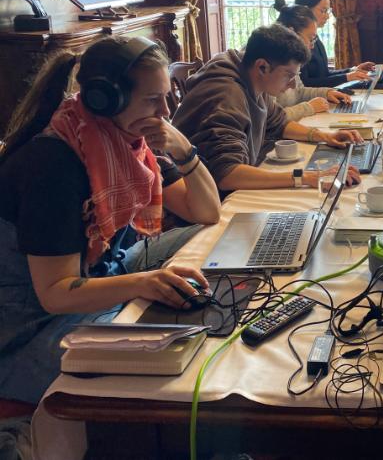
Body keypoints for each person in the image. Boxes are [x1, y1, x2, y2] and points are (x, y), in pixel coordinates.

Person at [0, 37, 222, 403]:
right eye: (153, 99)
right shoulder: (51, 165)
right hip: (30, 330)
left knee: (206, 235)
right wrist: (144, 283)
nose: (165, 112)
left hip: (100, 274)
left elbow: (206, 212)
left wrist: (183, 149)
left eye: (166, 97)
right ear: (106, 99)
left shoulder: (127, 139)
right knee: (167, 359)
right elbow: (55, 294)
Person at [172, 23, 362, 194]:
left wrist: (325, 136)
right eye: (288, 76)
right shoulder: (226, 96)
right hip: (204, 200)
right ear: (262, 67)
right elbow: (226, 174)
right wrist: (307, 177)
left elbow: (278, 123)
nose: (292, 85)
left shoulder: (252, 77)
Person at [272, 0, 353, 120]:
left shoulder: (291, 57)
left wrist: (326, 93)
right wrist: (309, 107)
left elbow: (299, 91)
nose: (312, 45)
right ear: (292, 33)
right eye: (311, 39)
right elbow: (269, 120)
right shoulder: (270, 61)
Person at [294, 0, 375, 87]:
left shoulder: (314, 37)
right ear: (306, 10)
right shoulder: (297, 42)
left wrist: (353, 70)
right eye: (323, 11)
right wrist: (347, 77)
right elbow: (305, 84)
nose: (327, 16)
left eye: (328, 11)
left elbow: (325, 74)